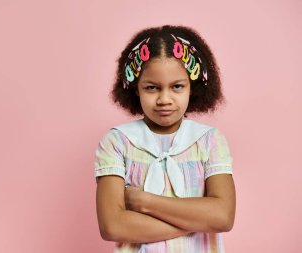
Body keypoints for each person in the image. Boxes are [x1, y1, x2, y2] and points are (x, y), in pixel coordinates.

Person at [94, 25, 236, 253]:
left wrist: (143, 202)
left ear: (192, 87)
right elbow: (113, 226)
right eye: (152, 88)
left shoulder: (209, 141)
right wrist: (197, 220)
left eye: (177, 87)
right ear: (136, 89)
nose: (164, 99)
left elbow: (222, 217)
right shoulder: (117, 142)